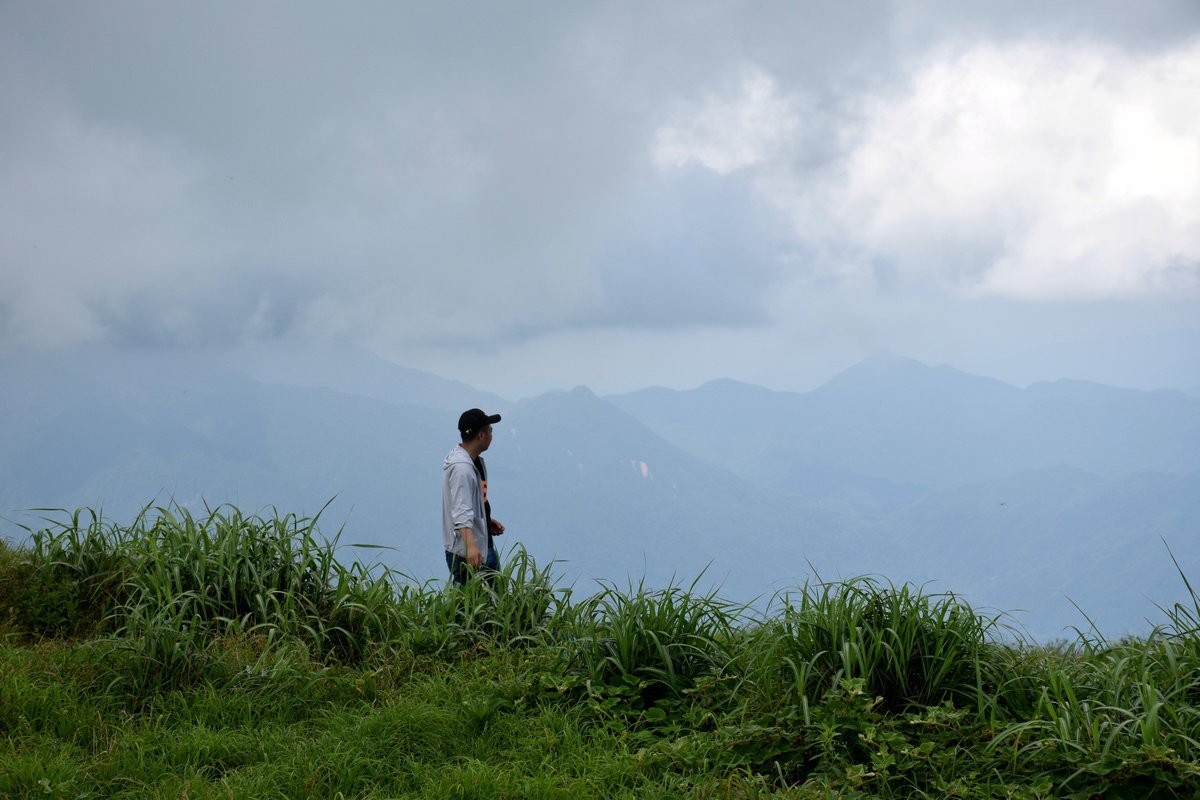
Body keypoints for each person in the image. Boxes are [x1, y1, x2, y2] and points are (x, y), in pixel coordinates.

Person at [442, 407, 507, 586]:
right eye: (490, 430)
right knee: (471, 608)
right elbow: (461, 511)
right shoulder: (462, 469)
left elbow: (468, 501)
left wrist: (485, 520)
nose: (492, 433)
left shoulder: (473, 461)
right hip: (468, 552)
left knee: (495, 604)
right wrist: (471, 546)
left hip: (482, 544)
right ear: (481, 436)